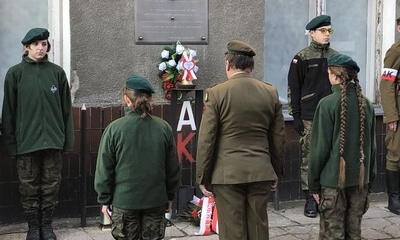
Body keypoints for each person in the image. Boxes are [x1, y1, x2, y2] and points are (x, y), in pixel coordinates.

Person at [196, 39, 285, 240]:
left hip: (227, 174)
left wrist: (203, 176)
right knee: (258, 228)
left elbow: (206, 140)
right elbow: (278, 137)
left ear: (228, 64)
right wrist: (276, 170)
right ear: (251, 66)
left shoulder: (217, 93)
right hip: (261, 170)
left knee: (232, 230)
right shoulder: (270, 92)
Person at [1, 28, 74, 240]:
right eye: (36, 45)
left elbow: (66, 110)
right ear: (26, 47)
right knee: (29, 188)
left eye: (44, 44)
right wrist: (12, 145)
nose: (40, 48)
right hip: (26, 144)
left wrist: (66, 141)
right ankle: (33, 227)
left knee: (51, 186)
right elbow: (9, 112)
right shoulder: (15, 74)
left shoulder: (57, 73)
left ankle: (47, 226)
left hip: (53, 142)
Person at [94, 74, 181, 240]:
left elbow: (104, 170)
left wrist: (104, 200)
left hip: (124, 201)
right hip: (155, 200)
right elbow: (172, 168)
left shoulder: (114, 129)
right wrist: (170, 196)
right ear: (150, 99)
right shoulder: (163, 128)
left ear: (126, 100)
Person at [308, 54, 376, 239]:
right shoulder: (367, 105)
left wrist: (313, 184)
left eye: (329, 72)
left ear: (335, 75)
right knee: (354, 233)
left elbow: (319, 150)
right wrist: (370, 180)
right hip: (360, 181)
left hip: (332, 183)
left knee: (332, 234)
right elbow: (372, 148)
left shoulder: (327, 104)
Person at [287, 14, 338, 218]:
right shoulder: (302, 57)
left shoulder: (335, 56)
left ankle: (328, 197)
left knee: (331, 155)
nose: (327, 35)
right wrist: (296, 116)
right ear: (312, 33)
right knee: (310, 157)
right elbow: (294, 87)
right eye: (323, 31)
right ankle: (310, 198)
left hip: (332, 115)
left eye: (329, 31)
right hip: (310, 115)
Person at [379, 17, 400, 215]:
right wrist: (391, 115)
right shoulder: (395, 51)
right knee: (395, 153)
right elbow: (386, 85)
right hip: (399, 112)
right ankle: (394, 198)